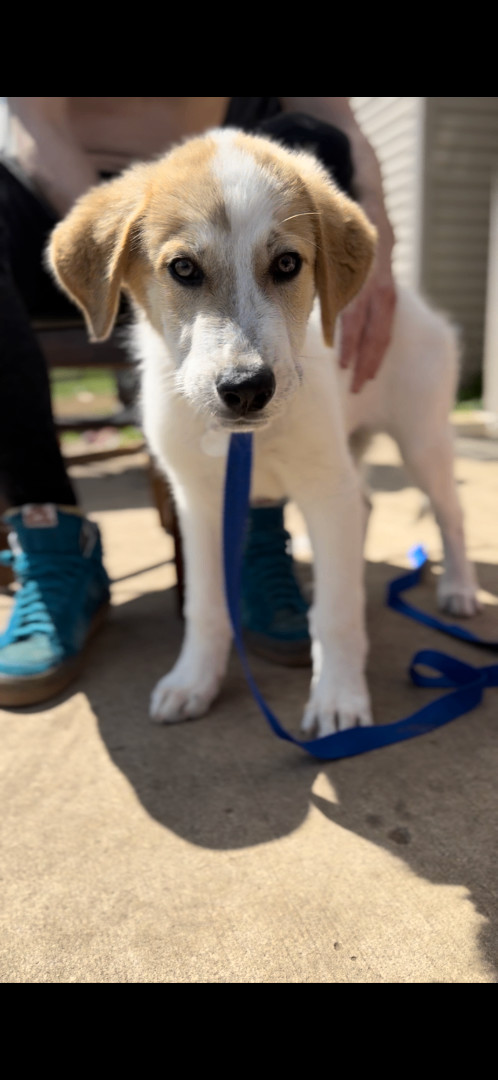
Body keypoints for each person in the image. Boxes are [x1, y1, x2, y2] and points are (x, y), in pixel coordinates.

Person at [0, 97, 396, 705]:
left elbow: (338, 119)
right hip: (81, 184)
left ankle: (259, 534)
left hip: (252, 177)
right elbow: (34, 129)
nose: (244, 361)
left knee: (314, 136)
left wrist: (378, 250)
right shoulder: (134, 228)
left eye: (286, 265)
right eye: (184, 269)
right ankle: (52, 537)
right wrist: (149, 219)